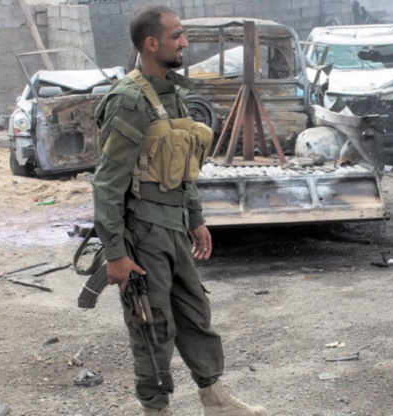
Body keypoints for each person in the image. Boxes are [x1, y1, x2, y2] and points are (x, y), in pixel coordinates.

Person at [92, 5, 267, 415]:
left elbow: (184, 168)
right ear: (152, 44)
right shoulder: (129, 101)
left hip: (173, 225)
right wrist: (115, 253)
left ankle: (214, 397)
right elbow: (107, 182)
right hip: (143, 231)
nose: (184, 42)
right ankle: (157, 409)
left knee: (194, 313)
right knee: (151, 323)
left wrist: (196, 218)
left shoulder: (172, 94)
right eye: (177, 36)